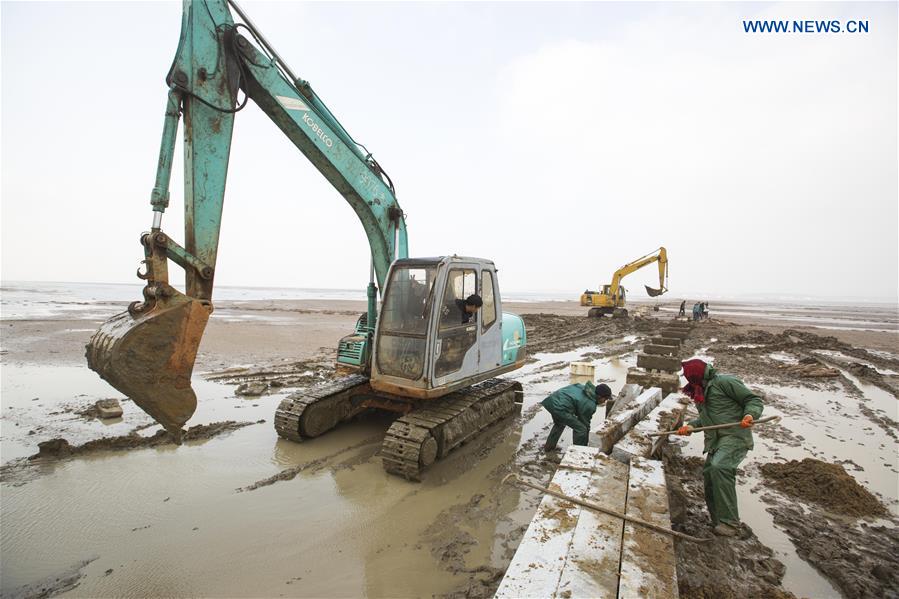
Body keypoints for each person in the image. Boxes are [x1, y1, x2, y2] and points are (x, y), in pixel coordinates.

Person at [677, 358, 763, 537]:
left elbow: (753, 400)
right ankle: (718, 522)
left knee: (720, 467)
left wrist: (749, 414)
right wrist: (692, 426)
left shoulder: (725, 382)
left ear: (696, 374)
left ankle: (730, 523)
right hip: (716, 441)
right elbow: (707, 419)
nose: (687, 381)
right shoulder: (699, 390)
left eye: (688, 376)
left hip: (735, 435)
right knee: (709, 476)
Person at [542, 382, 612, 450]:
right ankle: (579, 451)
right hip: (560, 409)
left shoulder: (583, 387)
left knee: (560, 423)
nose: (604, 402)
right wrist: (586, 439)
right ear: (599, 396)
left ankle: (549, 447)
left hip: (551, 401)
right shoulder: (590, 405)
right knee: (581, 429)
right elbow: (585, 422)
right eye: (605, 399)